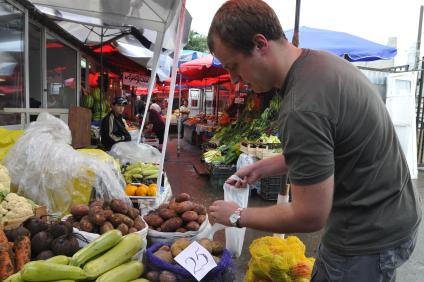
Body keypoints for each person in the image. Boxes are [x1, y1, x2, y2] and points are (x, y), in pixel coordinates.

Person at [206, 1, 422, 281]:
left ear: (260, 44)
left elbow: (310, 215)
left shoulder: (302, 106)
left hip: (365, 237)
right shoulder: (321, 64)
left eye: (234, 66)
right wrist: (263, 168)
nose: (234, 79)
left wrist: (237, 215)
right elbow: (334, 146)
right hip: (395, 216)